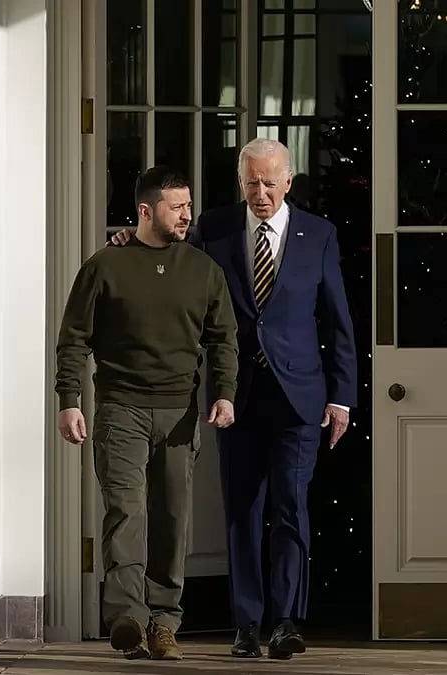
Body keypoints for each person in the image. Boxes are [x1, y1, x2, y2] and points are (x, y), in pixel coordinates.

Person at [110, 138, 357, 660]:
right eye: (252, 182)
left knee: (291, 509)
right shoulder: (214, 229)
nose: (261, 193)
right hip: (236, 396)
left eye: (271, 183)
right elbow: (167, 252)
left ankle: (286, 621)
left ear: (289, 181)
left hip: (300, 396)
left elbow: (338, 323)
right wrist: (129, 240)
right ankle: (246, 624)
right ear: (240, 182)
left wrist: (342, 398)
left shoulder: (320, 236)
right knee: (242, 511)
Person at [56, 166, 239, 661]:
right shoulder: (105, 267)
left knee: (173, 519)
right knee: (126, 515)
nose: (187, 214)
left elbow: (223, 339)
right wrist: (69, 400)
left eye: (188, 204)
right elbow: (74, 339)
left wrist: (224, 394)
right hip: (120, 411)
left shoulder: (202, 270)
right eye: (176, 206)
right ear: (145, 210)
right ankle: (128, 619)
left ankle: (164, 624)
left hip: (180, 412)